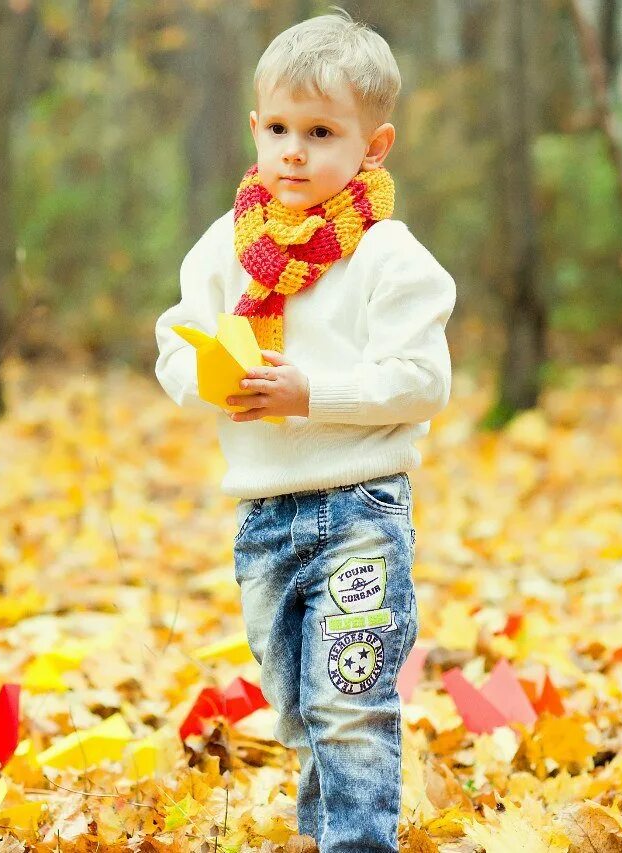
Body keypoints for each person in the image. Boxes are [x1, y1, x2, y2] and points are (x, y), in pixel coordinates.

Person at [153, 7, 455, 851]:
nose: (294, 150)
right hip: (265, 519)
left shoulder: (391, 259)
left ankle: (356, 842)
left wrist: (307, 392)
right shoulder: (226, 250)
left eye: (321, 132)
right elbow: (176, 343)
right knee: (298, 704)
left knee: (347, 699)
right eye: (279, 128)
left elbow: (422, 380)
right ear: (255, 128)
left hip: (360, 509)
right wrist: (212, 383)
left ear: (374, 145)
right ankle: (332, 827)